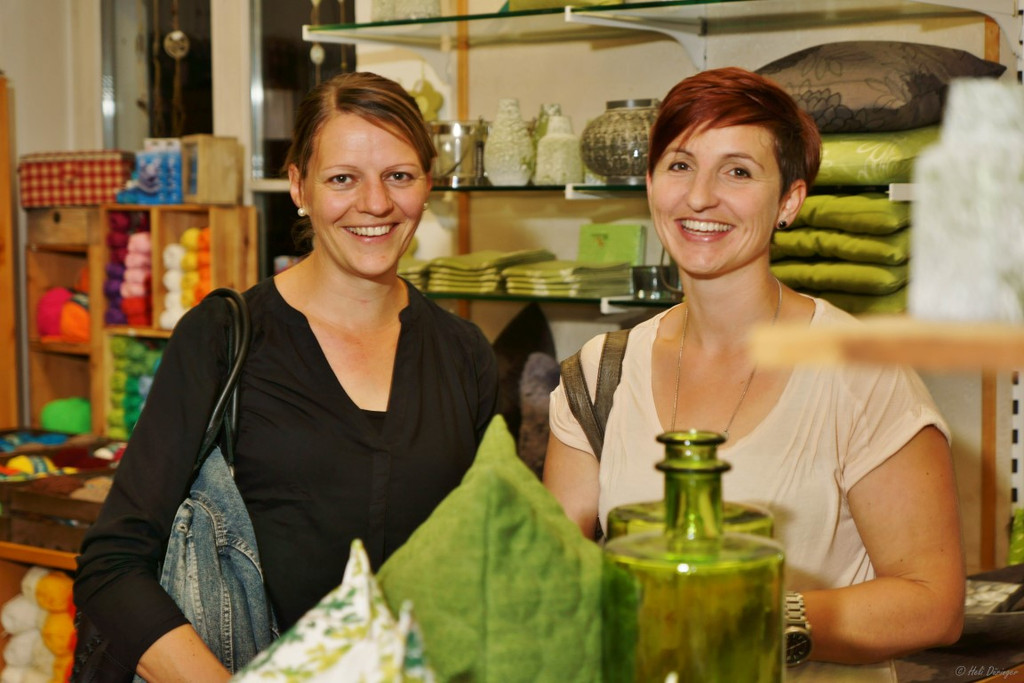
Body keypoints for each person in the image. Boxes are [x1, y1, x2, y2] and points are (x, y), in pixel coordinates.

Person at [74, 71, 498, 682]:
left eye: (399, 176)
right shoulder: (223, 338)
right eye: (342, 178)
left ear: (428, 183)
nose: (376, 203)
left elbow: (486, 560)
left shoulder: (464, 354)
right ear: (298, 186)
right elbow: (113, 566)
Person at [543, 67, 964, 680]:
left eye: (737, 172)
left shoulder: (859, 371)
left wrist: (749, 611)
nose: (699, 197)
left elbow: (932, 604)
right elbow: (555, 574)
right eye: (680, 165)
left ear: (788, 201)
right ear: (651, 182)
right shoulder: (600, 372)